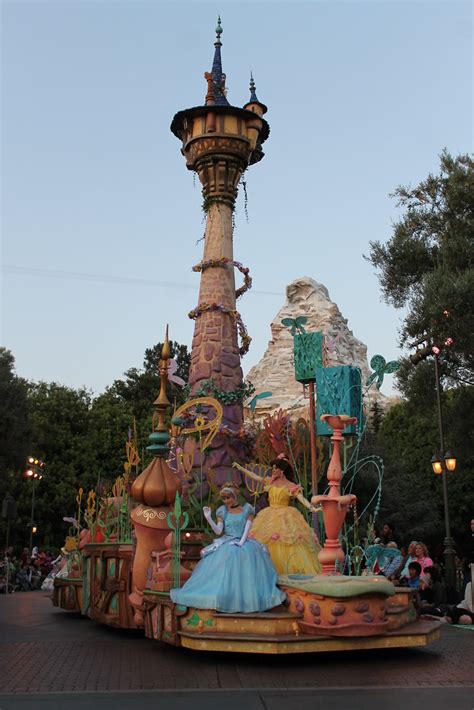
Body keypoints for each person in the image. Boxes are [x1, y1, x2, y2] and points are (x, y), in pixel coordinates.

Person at [170, 484, 286, 613]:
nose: (226, 501)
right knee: (223, 563)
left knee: (246, 563)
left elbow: (247, 530)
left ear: (235, 496)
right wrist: (208, 517)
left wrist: (241, 543)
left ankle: (245, 598)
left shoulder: (247, 509)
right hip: (227, 540)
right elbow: (218, 531)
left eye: (228, 498)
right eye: (224, 499)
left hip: (244, 541)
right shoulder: (222, 511)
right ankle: (224, 596)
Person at [233, 457, 321, 575]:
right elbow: (255, 477)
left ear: (282, 471)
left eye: (275, 469)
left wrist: (312, 508)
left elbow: (301, 499)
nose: (273, 471)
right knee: (266, 539)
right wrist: (241, 468)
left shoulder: (291, 486)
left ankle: (288, 571)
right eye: (272, 468)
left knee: (288, 540)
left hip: (286, 516)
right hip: (269, 514)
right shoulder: (270, 481)